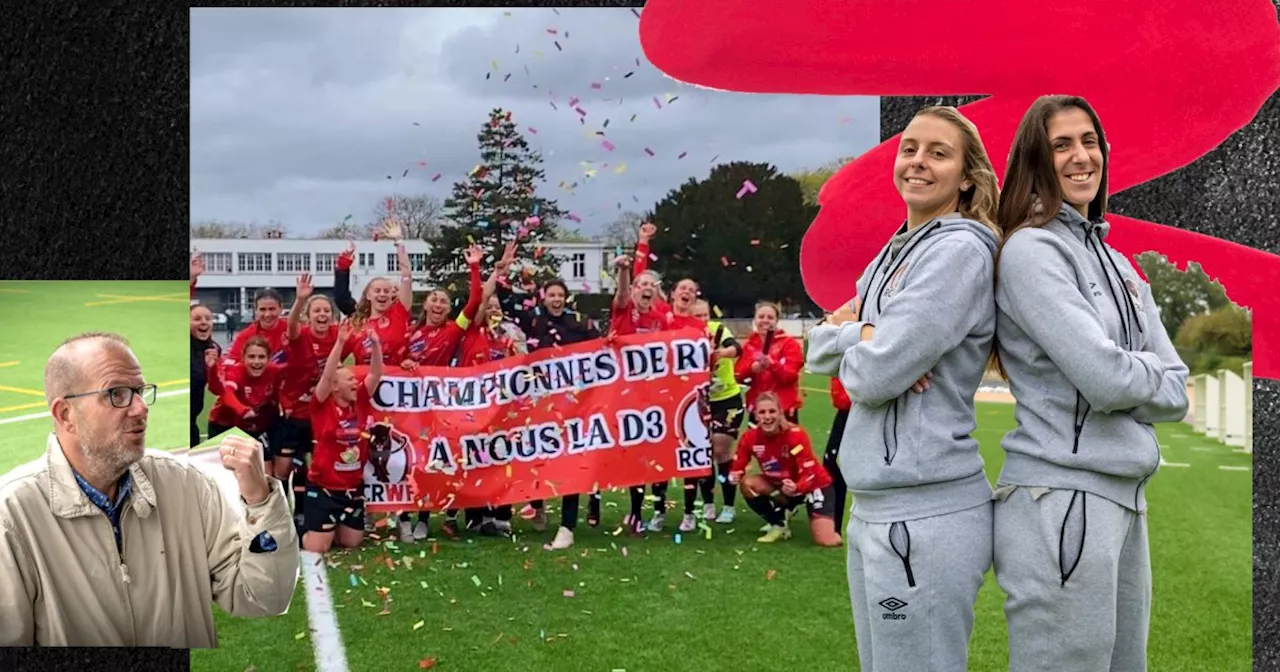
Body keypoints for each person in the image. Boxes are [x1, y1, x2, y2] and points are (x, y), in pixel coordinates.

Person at [991, 95, 1189, 672]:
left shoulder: (1118, 262)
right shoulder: (1031, 250)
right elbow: (1104, 378)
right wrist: (1140, 373)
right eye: (1061, 145)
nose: (1082, 156)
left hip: (1124, 500)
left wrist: (1137, 374)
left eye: (1089, 141)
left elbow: (1178, 391)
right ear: (1037, 160)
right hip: (1061, 500)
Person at [805, 105, 1003, 671]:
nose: (917, 161)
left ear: (967, 176)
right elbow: (817, 347)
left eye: (938, 153)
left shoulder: (959, 250)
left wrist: (863, 342)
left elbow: (873, 376)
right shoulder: (894, 251)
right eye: (909, 148)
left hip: (926, 511)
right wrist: (868, 333)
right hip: (875, 507)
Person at [0, 333, 298, 646]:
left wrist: (260, 502)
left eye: (140, 392)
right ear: (66, 414)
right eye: (117, 394)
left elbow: (264, 597)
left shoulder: (186, 484)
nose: (141, 408)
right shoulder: (12, 516)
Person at [515, 278, 603, 549]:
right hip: (539, 402)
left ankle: (567, 526)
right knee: (538, 456)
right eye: (551, 294)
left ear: (566, 297)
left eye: (560, 295)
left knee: (571, 461)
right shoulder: (532, 320)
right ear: (543, 297)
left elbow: (601, 345)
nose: (556, 299)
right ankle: (537, 503)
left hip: (573, 405)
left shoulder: (579, 322)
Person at [608, 254, 676, 534]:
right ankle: (635, 512)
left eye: (651, 285)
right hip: (626, 398)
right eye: (641, 284)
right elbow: (622, 293)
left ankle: (658, 511)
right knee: (633, 457)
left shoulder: (661, 318)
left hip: (655, 397)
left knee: (657, 454)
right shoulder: (623, 310)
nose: (646, 288)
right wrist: (625, 271)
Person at [302, 323, 384, 553]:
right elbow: (327, 377)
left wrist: (376, 344)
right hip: (324, 488)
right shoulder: (321, 405)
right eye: (349, 379)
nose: (355, 382)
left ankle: (333, 526)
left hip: (352, 489)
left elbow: (376, 374)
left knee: (351, 543)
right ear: (335, 386)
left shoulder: (359, 401)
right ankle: (303, 529)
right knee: (318, 548)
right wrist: (340, 342)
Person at [647, 278, 712, 533]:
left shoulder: (699, 327)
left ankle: (688, 512)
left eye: (691, 290)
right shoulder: (660, 319)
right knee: (659, 458)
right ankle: (659, 511)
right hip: (660, 399)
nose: (686, 292)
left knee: (689, 456)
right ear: (672, 294)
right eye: (681, 288)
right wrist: (643, 244)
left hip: (689, 401)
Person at [727, 392, 836, 544]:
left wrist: (797, 487)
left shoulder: (795, 435)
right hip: (782, 488)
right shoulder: (750, 437)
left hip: (813, 485)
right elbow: (738, 465)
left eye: (772, 411)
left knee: (826, 540)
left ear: (780, 412)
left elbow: (810, 473)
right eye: (762, 412)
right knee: (748, 484)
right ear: (755, 416)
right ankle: (778, 524)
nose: (767, 416)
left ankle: (858, 540)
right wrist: (734, 475)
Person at [279, 273, 339, 528]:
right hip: (294, 413)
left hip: (320, 415)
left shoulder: (338, 335)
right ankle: (280, 515)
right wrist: (300, 300)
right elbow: (291, 325)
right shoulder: (300, 334)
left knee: (314, 468)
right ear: (309, 315)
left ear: (332, 315)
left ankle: (307, 513)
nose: (322, 314)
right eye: (317, 310)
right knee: (283, 470)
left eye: (326, 310)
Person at [693, 299, 745, 524]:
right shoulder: (684, 336)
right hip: (699, 402)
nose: (703, 320)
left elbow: (737, 348)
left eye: (705, 315)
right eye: (697, 316)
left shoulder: (718, 330)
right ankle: (708, 503)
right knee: (702, 453)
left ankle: (729, 505)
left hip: (727, 400)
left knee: (720, 449)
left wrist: (721, 353)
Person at [206, 337, 286, 461]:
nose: (256, 361)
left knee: (262, 468)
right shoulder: (235, 372)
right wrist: (242, 410)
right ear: (243, 358)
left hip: (253, 427)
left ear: (268, 358)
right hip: (224, 426)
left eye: (261, 357)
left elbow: (278, 394)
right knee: (226, 468)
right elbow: (227, 394)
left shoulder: (274, 372)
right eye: (252, 357)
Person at [736, 301, 803, 422]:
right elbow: (738, 376)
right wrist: (752, 368)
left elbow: (790, 376)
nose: (765, 321)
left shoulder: (789, 344)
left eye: (770, 317)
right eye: (761, 317)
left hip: (784, 410)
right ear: (755, 319)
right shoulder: (749, 345)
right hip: (758, 410)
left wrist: (772, 365)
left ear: (777, 320)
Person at [190, 304, 222, 447]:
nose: (203, 322)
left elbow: (216, 389)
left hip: (193, 418)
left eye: (208, 319)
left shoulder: (214, 349)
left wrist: (212, 368)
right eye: (197, 319)